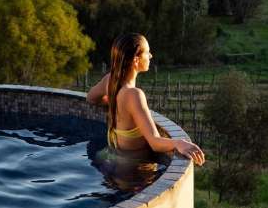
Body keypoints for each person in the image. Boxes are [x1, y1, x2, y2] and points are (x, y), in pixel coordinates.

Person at [87, 33, 205, 166]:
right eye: (147, 52)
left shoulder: (110, 80)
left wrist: (114, 103)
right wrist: (179, 143)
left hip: (108, 156)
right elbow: (155, 143)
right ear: (136, 59)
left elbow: (91, 98)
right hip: (130, 169)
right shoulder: (134, 95)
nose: (151, 56)